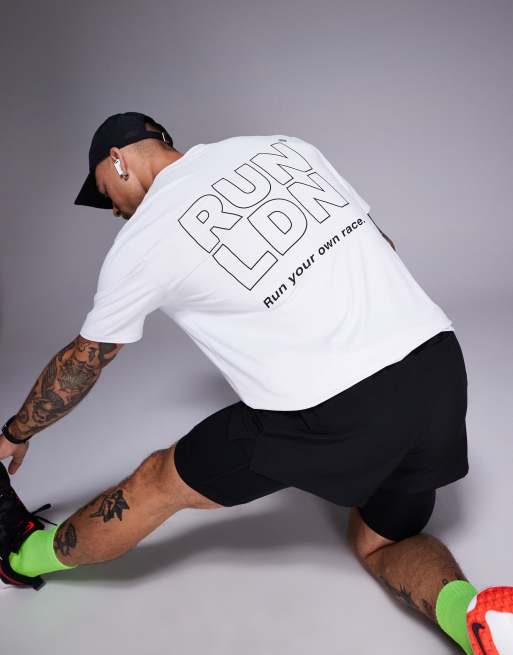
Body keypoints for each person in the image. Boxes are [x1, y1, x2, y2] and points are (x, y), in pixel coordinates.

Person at [0, 111, 510, 653]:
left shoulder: (143, 238)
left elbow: (84, 361)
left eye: (105, 193)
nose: (113, 210)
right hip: (437, 369)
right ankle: (479, 621)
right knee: (382, 543)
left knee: (154, 482)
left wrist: (15, 432)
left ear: (118, 159)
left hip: (335, 410)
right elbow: (380, 244)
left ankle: (19, 557)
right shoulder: (284, 147)